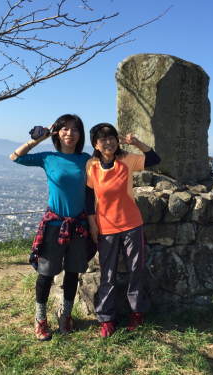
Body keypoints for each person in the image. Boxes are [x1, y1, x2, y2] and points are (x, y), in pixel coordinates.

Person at [9, 114, 93, 342]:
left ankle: (65, 315)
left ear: (80, 134)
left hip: (79, 225)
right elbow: (15, 157)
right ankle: (40, 319)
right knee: (46, 274)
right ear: (57, 133)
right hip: (55, 225)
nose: (70, 133)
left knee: (73, 272)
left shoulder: (86, 159)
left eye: (75, 129)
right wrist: (38, 139)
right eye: (64, 129)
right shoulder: (48, 157)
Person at [85, 123, 161, 338]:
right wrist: (92, 223)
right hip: (105, 226)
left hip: (131, 224)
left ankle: (137, 312)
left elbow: (155, 159)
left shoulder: (127, 159)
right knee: (107, 274)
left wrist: (135, 142)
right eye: (103, 139)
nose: (108, 142)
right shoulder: (91, 165)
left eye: (111, 137)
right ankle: (107, 318)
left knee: (135, 270)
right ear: (95, 144)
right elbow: (89, 197)